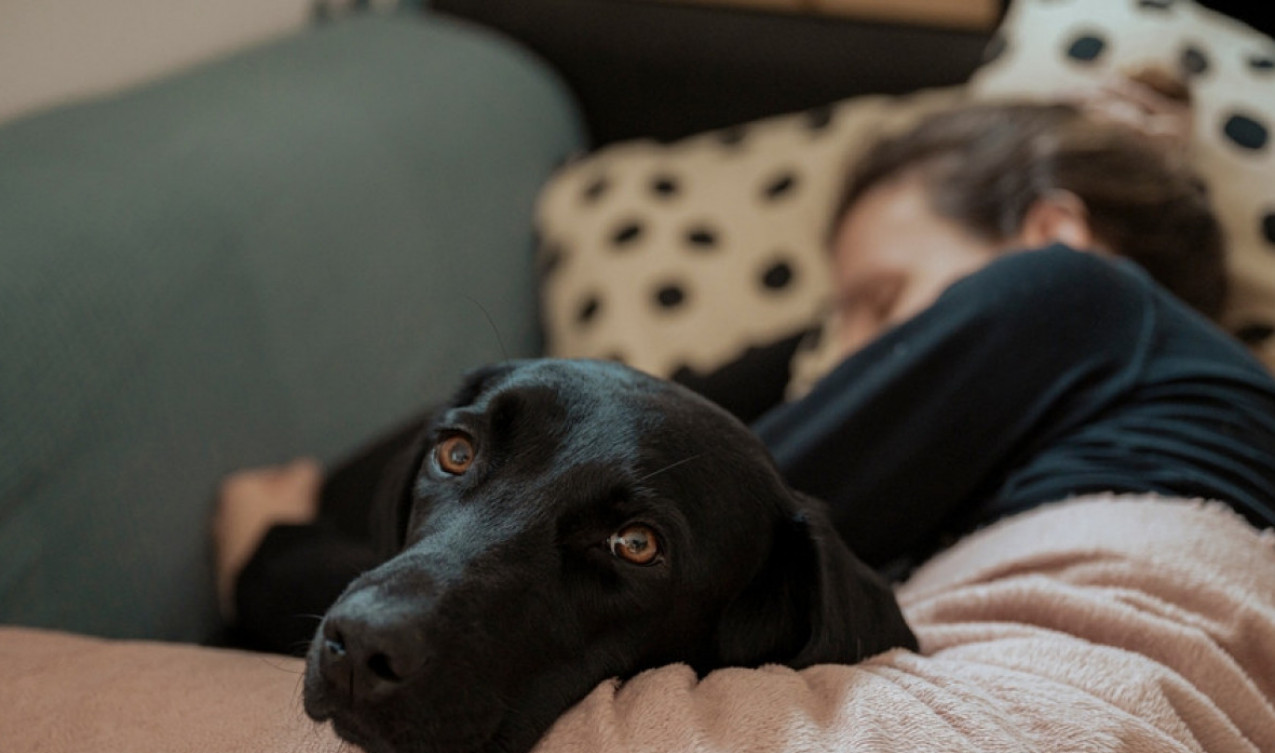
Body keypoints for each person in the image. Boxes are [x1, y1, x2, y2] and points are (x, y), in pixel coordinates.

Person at [213, 89, 1275, 653]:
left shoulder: (1066, 293)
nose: (845, 355)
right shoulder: (1130, 397)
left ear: (1054, 233)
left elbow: (692, 507)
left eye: (884, 301)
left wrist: (277, 564)